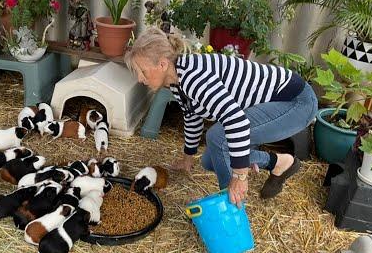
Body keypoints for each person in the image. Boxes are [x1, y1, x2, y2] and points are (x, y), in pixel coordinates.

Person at [124, 27, 318, 208]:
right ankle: (279, 162)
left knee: (219, 138)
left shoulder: (193, 78)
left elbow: (237, 124)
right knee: (210, 161)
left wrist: (239, 177)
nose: (140, 79)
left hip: (296, 103)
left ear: (162, 64)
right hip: (273, 104)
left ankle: (231, 207)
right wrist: (187, 157)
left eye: (142, 71)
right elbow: (192, 115)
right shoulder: (175, 80)